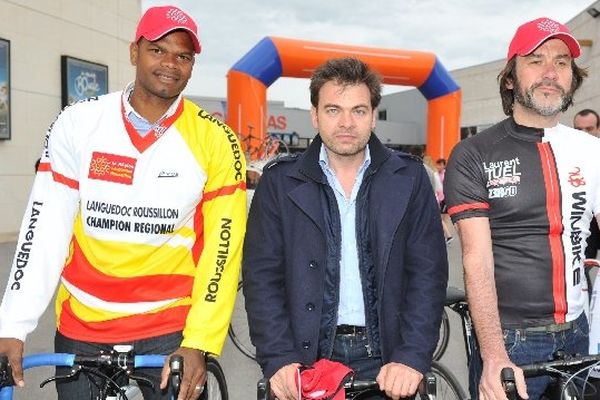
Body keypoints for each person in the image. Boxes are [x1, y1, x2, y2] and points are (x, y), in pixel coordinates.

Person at [0, 6, 246, 400]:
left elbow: (224, 251)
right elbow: (43, 226)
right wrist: (11, 326)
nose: (170, 64)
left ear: (193, 65)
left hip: (170, 330)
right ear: (134, 52)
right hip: (84, 326)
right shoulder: (78, 122)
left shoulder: (217, 139)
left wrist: (199, 341)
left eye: (183, 56)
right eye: (158, 50)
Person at [242, 57, 448, 400]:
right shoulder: (279, 182)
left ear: (373, 115)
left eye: (359, 110)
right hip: (305, 361)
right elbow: (262, 277)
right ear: (315, 114)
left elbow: (427, 274)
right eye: (334, 109)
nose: (346, 123)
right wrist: (278, 358)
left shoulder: (409, 179)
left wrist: (411, 357)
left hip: (387, 362)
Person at [444, 17, 595, 400]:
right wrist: (493, 355)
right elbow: (476, 260)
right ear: (510, 77)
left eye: (561, 62)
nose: (550, 72)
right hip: (511, 339)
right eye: (535, 59)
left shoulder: (592, 150)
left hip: (579, 333)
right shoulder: (473, 153)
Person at [573, 110, 600, 260]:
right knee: (582, 264)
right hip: (583, 218)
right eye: (579, 129)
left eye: (589, 129)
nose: (583, 133)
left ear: (598, 129)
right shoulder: (567, 155)